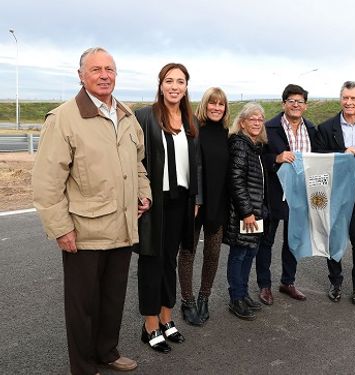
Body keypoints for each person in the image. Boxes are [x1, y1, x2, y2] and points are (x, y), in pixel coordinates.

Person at [32, 47, 150, 375]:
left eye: (109, 69)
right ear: (81, 75)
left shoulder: (126, 116)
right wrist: (61, 227)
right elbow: (46, 182)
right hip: (84, 231)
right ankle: (84, 367)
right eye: (96, 69)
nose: (104, 75)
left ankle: (107, 352)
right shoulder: (64, 119)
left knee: (112, 299)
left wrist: (145, 194)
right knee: (82, 306)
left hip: (123, 226)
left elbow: (138, 164)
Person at [135, 63, 201, 353]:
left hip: (181, 200)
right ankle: (149, 324)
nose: (175, 87)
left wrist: (196, 199)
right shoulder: (144, 117)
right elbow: (135, 160)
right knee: (152, 260)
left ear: (187, 86)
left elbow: (195, 164)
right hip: (154, 201)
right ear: (160, 84)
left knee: (171, 260)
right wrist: (139, 194)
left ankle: (166, 317)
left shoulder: (190, 120)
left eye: (181, 82)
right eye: (169, 81)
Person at [314, 81, 355, 304]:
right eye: (345, 98)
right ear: (340, 99)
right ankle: (335, 281)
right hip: (335, 191)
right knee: (334, 239)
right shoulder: (326, 127)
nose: (349, 102)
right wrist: (342, 153)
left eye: (354, 98)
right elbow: (319, 156)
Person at [255, 84, 317, 305]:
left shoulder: (312, 128)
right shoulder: (268, 127)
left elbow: (320, 158)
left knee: (293, 241)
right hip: (273, 194)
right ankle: (264, 285)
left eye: (299, 101)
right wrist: (276, 158)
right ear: (284, 104)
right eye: (291, 101)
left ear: (305, 106)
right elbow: (257, 159)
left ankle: (287, 282)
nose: (295, 105)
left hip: (300, 194)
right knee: (266, 241)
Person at [178, 87, 230, 326]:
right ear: (205, 105)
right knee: (188, 252)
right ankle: (187, 301)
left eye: (221, 104)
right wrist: (195, 199)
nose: (216, 108)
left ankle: (204, 298)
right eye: (212, 103)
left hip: (217, 204)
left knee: (212, 254)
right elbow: (190, 166)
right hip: (194, 202)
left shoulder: (227, 132)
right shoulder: (193, 130)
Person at [225, 102, 268, 320]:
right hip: (244, 213)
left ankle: (243, 294)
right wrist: (247, 212)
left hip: (255, 211)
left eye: (260, 119)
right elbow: (236, 181)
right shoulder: (240, 145)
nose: (257, 123)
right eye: (252, 119)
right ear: (242, 122)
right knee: (239, 254)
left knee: (250, 252)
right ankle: (236, 298)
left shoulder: (254, 146)